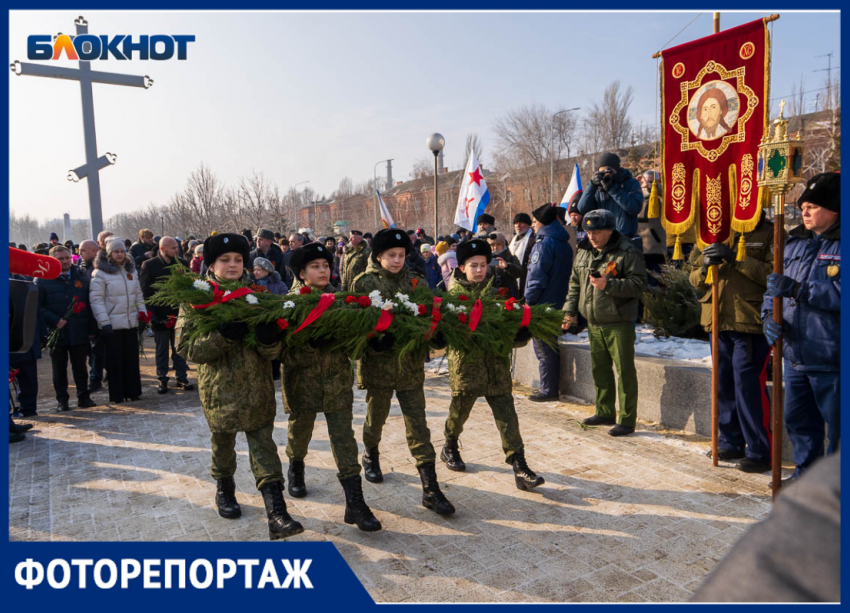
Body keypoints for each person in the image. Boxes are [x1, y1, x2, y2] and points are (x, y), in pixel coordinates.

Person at [176, 233, 303, 540]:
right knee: (223, 445)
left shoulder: (256, 295)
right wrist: (223, 336)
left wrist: (270, 339)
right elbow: (187, 348)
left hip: (257, 387)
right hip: (219, 389)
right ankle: (225, 489)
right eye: (225, 260)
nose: (232, 265)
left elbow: (275, 353)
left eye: (237, 260)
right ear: (211, 264)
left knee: (264, 446)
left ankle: (277, 513)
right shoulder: (196, 298)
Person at [351, 229, 455, 516]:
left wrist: (435, 335)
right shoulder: (364, 282)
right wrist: (374, 340)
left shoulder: (416, 280)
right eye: (391, 256)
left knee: (418, 425)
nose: (397, 260)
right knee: (376, 417)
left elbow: (428, 315)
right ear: (378, 256)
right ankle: (370, 453)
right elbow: (356, 324)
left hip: (409, 365)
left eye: (401, 255)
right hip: (379, 365)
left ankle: (431, 488)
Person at [281, 243, 382, 532]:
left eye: (325, 266)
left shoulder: (341, 301)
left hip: (337, 383)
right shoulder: (290, 304)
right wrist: (311, 347)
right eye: (315, 266)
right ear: (301, 273)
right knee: (300, 432)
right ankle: (296, 466)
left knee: (344, 440)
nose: (323, 270)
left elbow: (354, 346)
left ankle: (356, 502)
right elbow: (283, 351)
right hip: (303, 385)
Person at [441, 239, 545, 491]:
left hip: (496, 367)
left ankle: (520, 466)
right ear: (461, 267)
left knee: (507, 416)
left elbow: (508, 330)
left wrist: (520, 335)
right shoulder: (454, 299)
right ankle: (450, 444)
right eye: (473, 265)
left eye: (483, 265)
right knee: (459, 412)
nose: (479, 270)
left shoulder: (498, 293)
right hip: (467, 367)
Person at [762, 172, 840, 487]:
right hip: (795, 354)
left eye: (812, 206)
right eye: (802, 206)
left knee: (838, 428)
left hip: (831, 355)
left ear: (835, 209)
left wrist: (801, 291)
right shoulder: (793, 243)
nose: (804, 212)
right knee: (798, 422)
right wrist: (768, 316)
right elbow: (773, 288)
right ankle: (806, 477)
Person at [688, 214, 774, 472]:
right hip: (718, 319)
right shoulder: (712, 231)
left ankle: (759, 450)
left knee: (748, 387)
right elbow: (692, 278)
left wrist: (737, 257)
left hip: (749, 321)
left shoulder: (769, 232)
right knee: (723, 385)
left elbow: (774, 273)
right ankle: (730, 442)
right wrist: (705, 264)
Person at [562, 210, 648, 436]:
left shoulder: (627, 251)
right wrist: (569, 311)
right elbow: (574, 285)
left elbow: (639, 285)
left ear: (610, 230)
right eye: (588, 232)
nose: (591, 236)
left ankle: (627, 420)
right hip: (593, 321)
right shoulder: (583, 252)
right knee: (600, 370)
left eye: (597, 232)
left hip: (618, 322)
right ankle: (605, 411)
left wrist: (608, 286)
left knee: (624, 372)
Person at [36, 245, 98, 412]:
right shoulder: (42, 279)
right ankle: (62, 400)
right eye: (60, 259)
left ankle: (83, 397)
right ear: (52, 261)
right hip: (57, 331)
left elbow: (89, 303)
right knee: (59, 369)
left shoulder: (82, 276)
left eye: (67, 258)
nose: (64, 262)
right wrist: (55, 320)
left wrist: (92, 328)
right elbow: (37, 306)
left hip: (78, 329)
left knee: (80, 367)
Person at [525, 202, 573, 402]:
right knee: (548, 345)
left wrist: (528, 300)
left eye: (535, 222)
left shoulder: (544, 243)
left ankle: (548, 389)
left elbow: (536, 276)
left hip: (542, 302)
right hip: (557, 299)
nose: (533, 226)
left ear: (542, 223)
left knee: (544, 348)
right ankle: (549, 387)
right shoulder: (563, 242)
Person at [89, 237, 147, 404]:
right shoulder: (100, 273)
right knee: (115, 361)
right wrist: (104, 321)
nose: (120, 254)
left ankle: (133, 391)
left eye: (122, 251)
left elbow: (138, 295)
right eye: (116, 251)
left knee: (131, 358)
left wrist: (142, 313)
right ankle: (118, 394)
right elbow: (97, 300)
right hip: (112, 323)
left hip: (130, 321)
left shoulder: (131, 271)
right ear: (109, 253)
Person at [140, 236, 195, 395]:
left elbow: (188, 289)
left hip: (179, 315)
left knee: (180, 348)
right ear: (163, 249)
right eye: (173, 248)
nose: (177, 250)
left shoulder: (183, 264)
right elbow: (146, 293)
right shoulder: (149, 265)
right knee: (161, 349)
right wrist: (152, 316)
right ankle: (162, 378)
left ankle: (181, 377)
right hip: (159, 315)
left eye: (177, 248)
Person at [577, 152, 643, 246]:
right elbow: (582, 208)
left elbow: (634, 207)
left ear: (616, 170)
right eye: (601, 172)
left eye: (608, 171)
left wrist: (613, 190)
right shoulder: (597, 187)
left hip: (625, 240)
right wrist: (592, 185)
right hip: (603, 239)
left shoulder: (631, 183)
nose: (605, 175)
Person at [637, 170, 668, 285]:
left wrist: (651, 186)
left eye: (652, 182)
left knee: (654, 285)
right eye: (645, 181)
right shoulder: (637, 197)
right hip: (638, 249)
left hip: (654, 249)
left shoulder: (661, 198)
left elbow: (666, 194)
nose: (646, 184)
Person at [487, 231, 521, 297]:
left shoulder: (511, 258)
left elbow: (520, 273)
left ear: (503, 245)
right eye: (492, 245)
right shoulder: (485, 260)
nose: (495, 247)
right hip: (490, 295)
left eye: (498, 244)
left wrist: (508, 267)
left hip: (510, 295)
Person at [509, 212, 535, 296]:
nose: (518, 226)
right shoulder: (513, 239)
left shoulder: (533, 239)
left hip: (526, 278)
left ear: (528, 225)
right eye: (516, 223)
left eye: (521, 223)